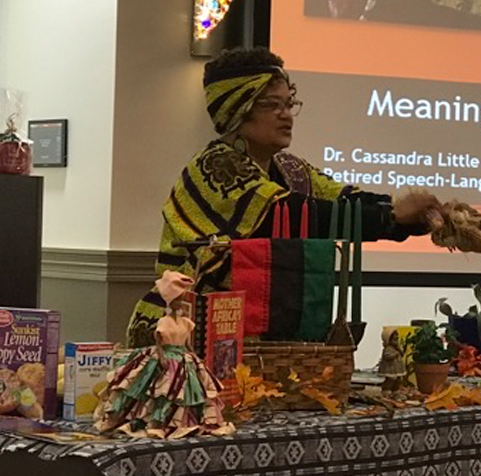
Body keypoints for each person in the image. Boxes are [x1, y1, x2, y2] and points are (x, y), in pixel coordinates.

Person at [126, 47, 442, 348]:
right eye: (271, 105)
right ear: (236, 110)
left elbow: (346, 201)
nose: (286, 115)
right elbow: (284, 213)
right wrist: (393, 215)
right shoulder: (214, 166)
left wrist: (414, 219)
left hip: (261, 332)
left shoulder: (291, 168)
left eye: (289, 104)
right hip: (187, 330)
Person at [96, 271, 234, 438]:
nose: (181, 303)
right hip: (167, 358)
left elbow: (187, 343)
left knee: (190, 391)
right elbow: (159, 342)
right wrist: (161, 357)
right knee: (161, 389)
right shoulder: (164, 322)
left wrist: (194, 357)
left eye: (181, 299)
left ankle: (185, 420)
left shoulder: (184, 322)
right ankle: (157, 420)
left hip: (183, 358)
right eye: (178, 299)